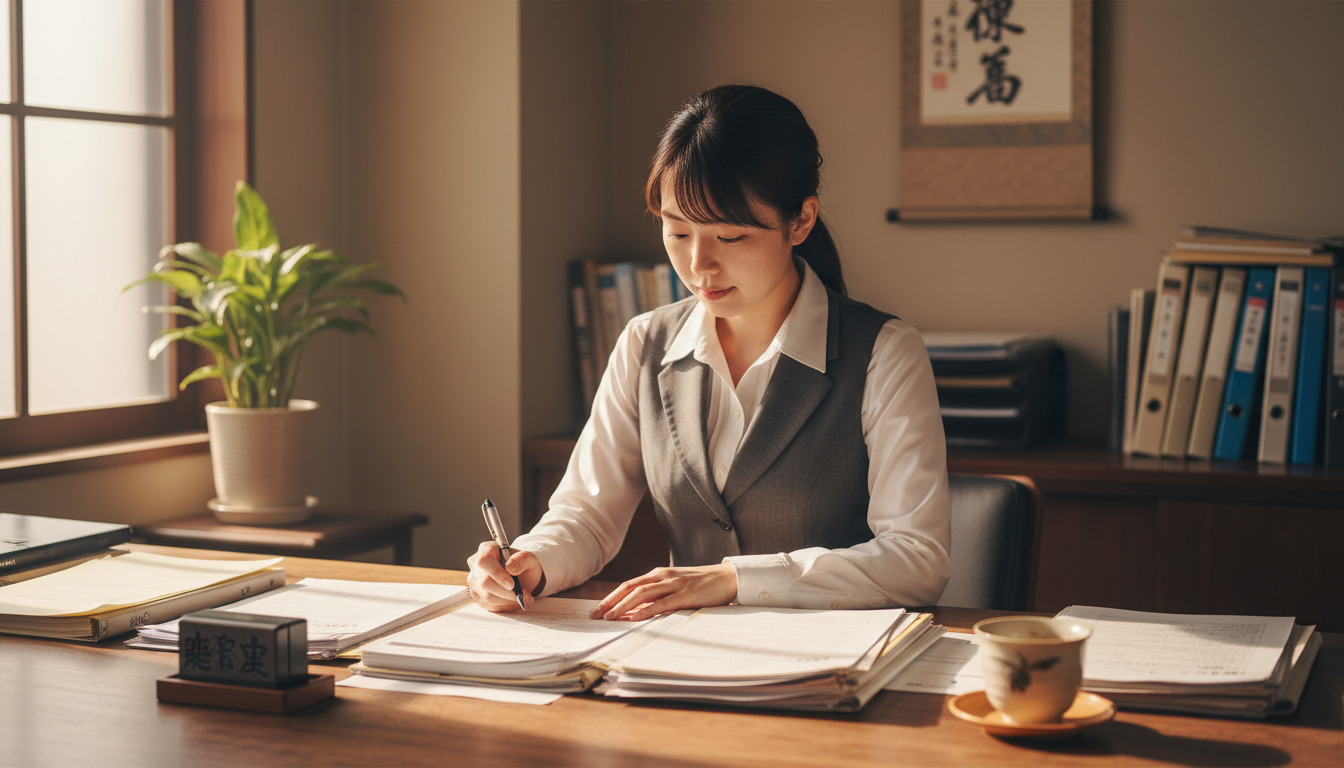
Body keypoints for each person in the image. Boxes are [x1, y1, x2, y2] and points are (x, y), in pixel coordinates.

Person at [468, 84, 950, 621]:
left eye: (730, 237)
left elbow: (917, 559)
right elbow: (586, 513)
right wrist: (532, 560)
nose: (699, 264)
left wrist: (733, 579)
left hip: (830, 667)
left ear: (801, 220)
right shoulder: (645, 344)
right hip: (688, 661)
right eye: (678, 233)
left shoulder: (884, 352)